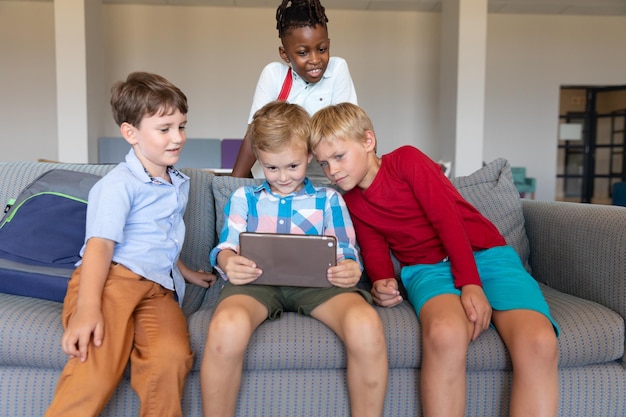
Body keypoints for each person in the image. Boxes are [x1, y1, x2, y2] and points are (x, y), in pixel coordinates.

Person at [310, 103, 560, 417]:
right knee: (445, 332)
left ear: (367, 141)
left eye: (338, 157)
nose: (331, 171)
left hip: (485, 256)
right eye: (323, 163)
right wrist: (382, 281)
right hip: (426, 270)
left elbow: (447, 220)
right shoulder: (352, 202)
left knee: (539, 342)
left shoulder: (406, 161)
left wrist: (470, 283)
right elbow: (373, 247)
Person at [45, 72, 217, 417]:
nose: (178, 138)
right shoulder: (118, 185)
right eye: (165, 129)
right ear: (131, 133)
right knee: (97, 366)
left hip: (158, 290)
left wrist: (185, 272)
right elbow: (99, 248)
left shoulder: (178, 182)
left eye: (181, 126)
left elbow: (161, 236)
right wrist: (87, 308)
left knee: (171, 360)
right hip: (112, 281)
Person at [201, 101, 387, 417]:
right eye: (271, 168)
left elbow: (345, 249)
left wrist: (350, 268)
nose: (283, 177)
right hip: (256, 285)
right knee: (226, 327)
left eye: (293, 166)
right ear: (258, 159)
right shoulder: (244, 198)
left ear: (309, 157)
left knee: (365, 323)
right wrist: (229, 260)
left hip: (320, 285)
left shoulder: (329, 198)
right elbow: (227, 246)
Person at [230, 0, 358, 183]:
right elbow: (254, 135)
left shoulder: (338, 68)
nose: (315, 59)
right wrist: (231, 185)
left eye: (322, 49)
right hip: (274, 179)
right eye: (303, 53)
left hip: (321, 180)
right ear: (285, 54)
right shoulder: (274, 74)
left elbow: (346, 131)